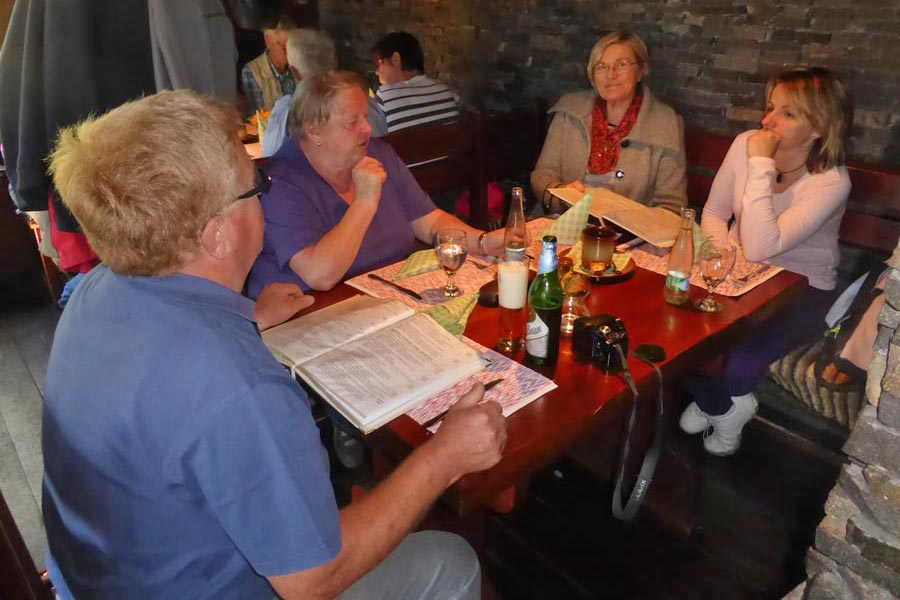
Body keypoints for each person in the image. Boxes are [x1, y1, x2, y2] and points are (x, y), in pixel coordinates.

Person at [42, 89, 507, 599]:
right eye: (256, 185)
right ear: (216, 235)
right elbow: (312, 581)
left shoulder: (95, 290)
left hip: (101, 575)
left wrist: (252, 320)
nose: (265, 193)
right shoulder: (239, 385)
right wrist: (445, 456)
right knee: (451, 560)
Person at [679, 67, 852, 456]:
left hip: (803, 289)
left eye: (788, 114)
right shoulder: (745, 143)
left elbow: (760, 246)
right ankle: (724, 407)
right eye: (771, 107)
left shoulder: (831, 182)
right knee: (674, 334)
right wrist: (719, 255)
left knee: (740, 361)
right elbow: (715, 212)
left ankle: (721, 405)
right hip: (742, 276)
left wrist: (760, 164)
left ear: (818, 128)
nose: (767, 120)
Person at [248, 70, 506, 295]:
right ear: (314, 130)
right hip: (310, 313)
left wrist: (483, 242)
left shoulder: (378, 153)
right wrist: (364, 202)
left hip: (384, 294)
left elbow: (428, 220)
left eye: (365, 116)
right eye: (352, 122)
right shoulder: (281, 182)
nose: (368, 128)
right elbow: (320, 275)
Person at [530, 30, 687, 214]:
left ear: (640, 71)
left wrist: (628, 219)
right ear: (592, 76)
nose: (611, 75)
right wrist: (562, 194)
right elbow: (543, 174)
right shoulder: (569, 109)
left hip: (626, 231)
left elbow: (672, 206)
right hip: (562, 220)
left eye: (621, 64)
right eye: (601, 66)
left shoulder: (666, 123)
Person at [261, 28, 387, 158]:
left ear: (294, 73)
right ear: (336, 61)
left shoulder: (287, 111)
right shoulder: (365, 103)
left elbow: (269, 158)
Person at [372, 31, 460, 133]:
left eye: (379, 64)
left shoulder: (385, 95)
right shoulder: (444, 90)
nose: (376, 72)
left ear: (395, 60)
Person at [240, 21, 296, 114]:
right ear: (268, 41)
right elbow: (258, 116)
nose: (290, 52)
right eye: (284, 47)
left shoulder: (299, 65)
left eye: (292, 47)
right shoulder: (252, 72)